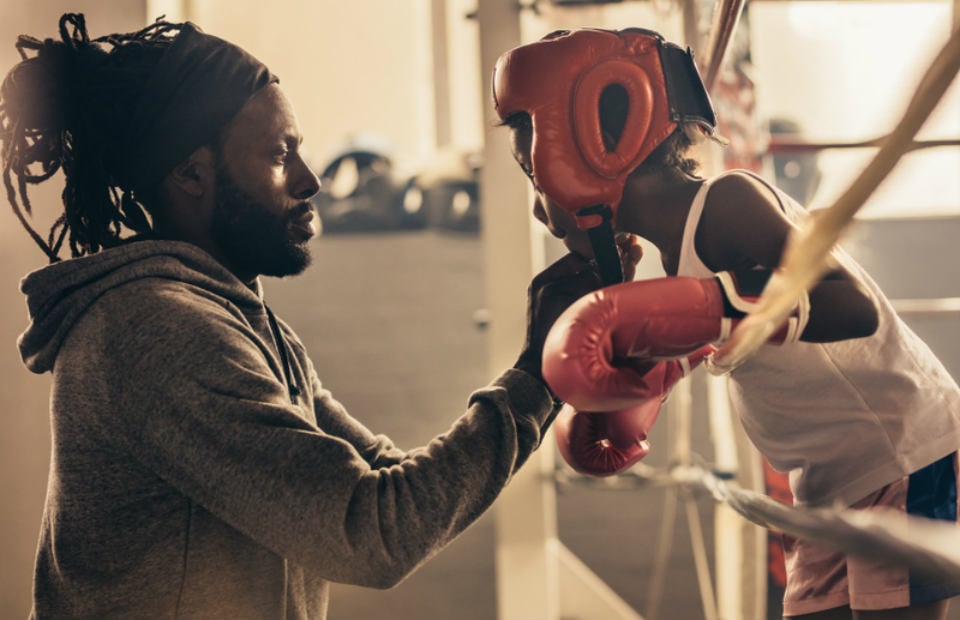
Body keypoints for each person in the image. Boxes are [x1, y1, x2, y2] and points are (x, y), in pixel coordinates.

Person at [2, 14, 604, 619]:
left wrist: (549, 361)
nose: (310, 180)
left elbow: (392, 485)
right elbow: (373, 534)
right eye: (279, 154)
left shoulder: (239, 321)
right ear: (191, 172)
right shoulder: (156, 329)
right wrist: (536, 376)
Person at [493, 28, 960, 620]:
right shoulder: (670, 251)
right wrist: (639, 371)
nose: (539, 203)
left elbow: (851, 306)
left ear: (596, 145)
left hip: (901, 452)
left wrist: (710, 305)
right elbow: (720, 330)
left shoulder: (727, 203)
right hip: (824, 486)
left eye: (534, 173)